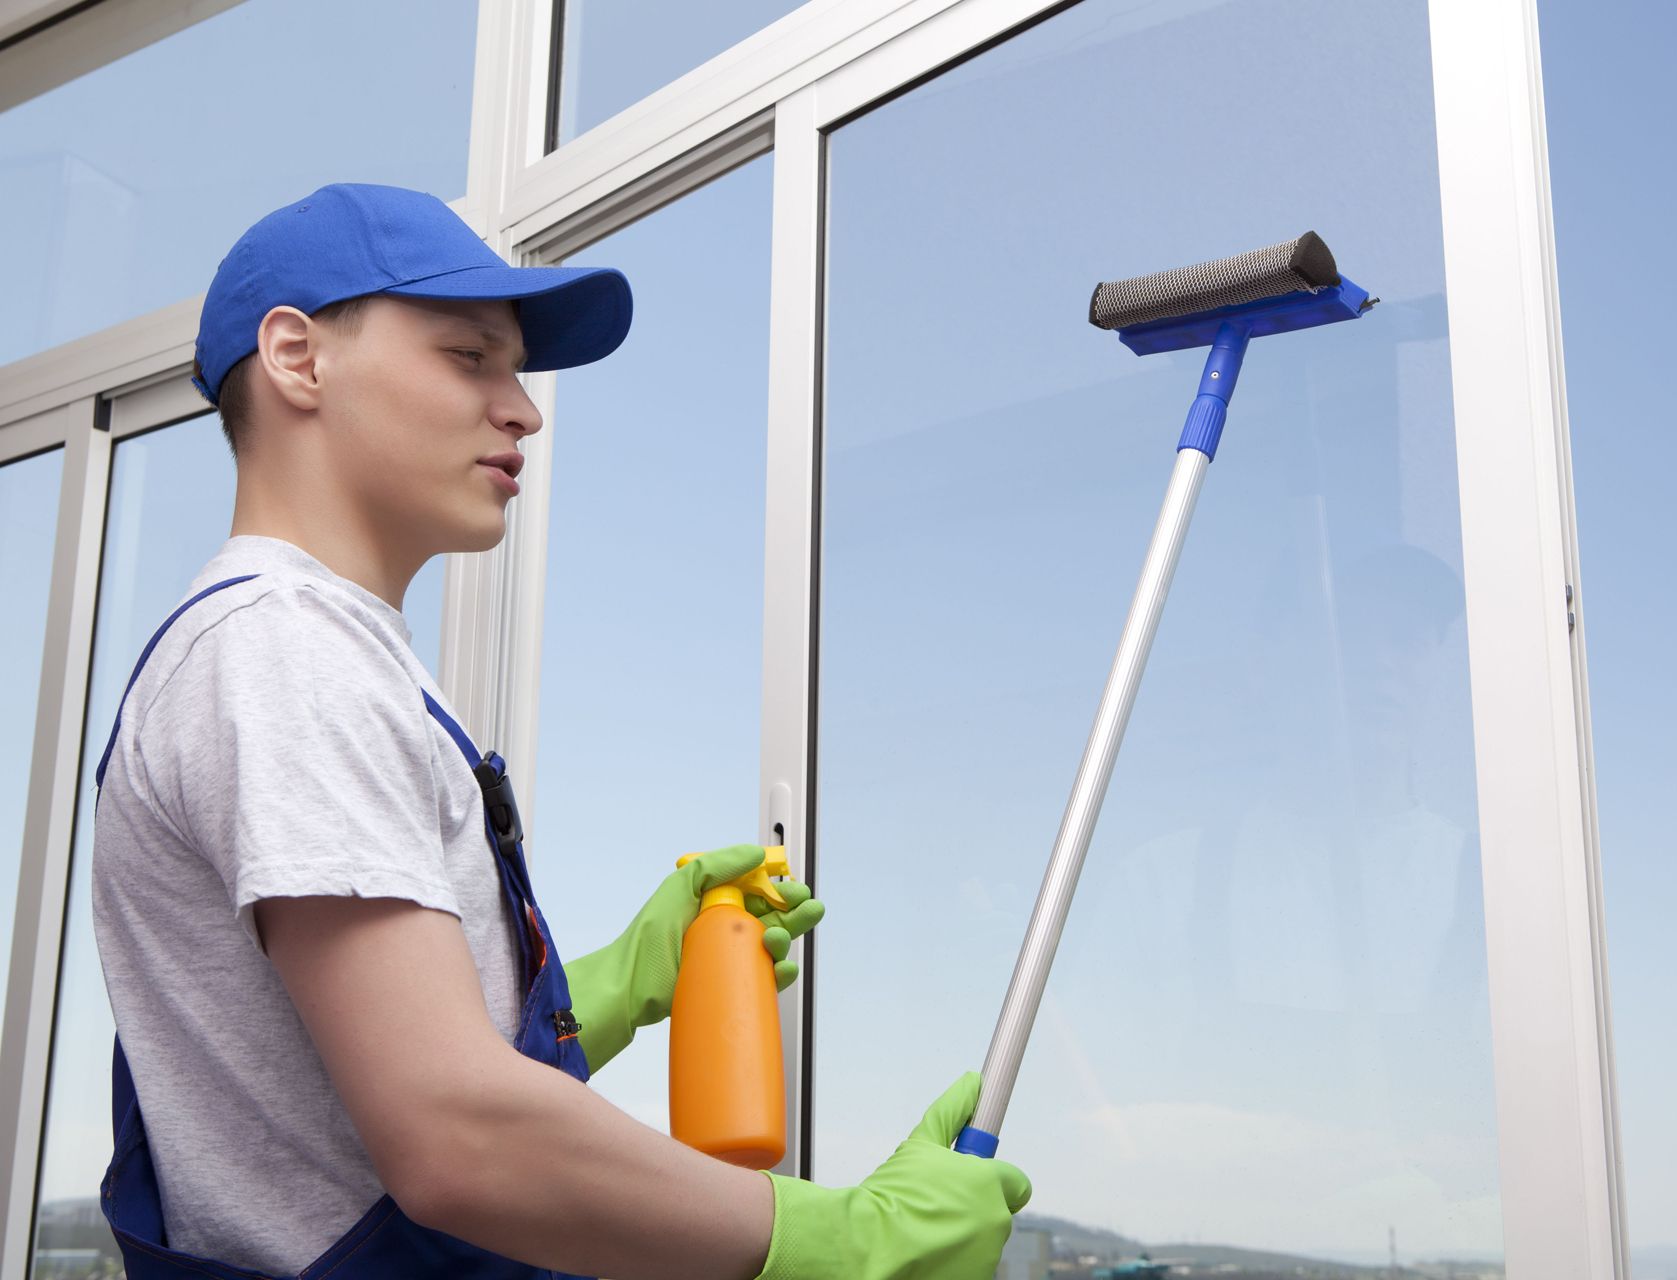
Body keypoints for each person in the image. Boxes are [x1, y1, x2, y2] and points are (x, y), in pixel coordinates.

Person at [89, 182, 1030, 1280]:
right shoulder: (281, 649)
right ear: (299, 358)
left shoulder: (318, 652)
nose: (525, 408)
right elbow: (453, 1132)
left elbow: (383, 1057)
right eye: (469, 356)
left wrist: (629, 975)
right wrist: (846, 1239)